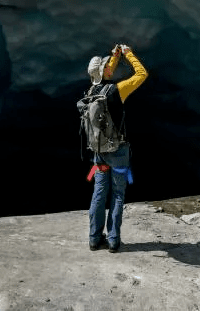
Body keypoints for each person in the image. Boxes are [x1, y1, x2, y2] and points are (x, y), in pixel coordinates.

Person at [85, 44, 148, 253]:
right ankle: (113, 240)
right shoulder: (117, 91)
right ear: (104, 71)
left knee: (99, 193)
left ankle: (94, 239)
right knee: (118, 195)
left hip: (99, 154)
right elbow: (142, 74)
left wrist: (115, 56)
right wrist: (129, 54)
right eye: (106, 66)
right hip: (119, 153)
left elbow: (103, 73)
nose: (109, 67)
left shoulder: (91, 91)